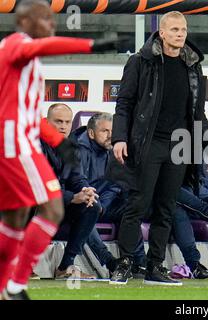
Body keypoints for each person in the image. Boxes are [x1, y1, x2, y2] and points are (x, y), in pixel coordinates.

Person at [0, 0, 120, 300]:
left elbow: (29, 113)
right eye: (46, 20)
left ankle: (5, 286)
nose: (52, 25)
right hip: (16, 146)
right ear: (25, 21)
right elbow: (34, 50)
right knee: (52, 208)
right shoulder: (16, 45)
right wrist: (90, 45)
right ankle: (15, 284)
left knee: (14, 220)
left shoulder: (27, 63)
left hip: (16, 142)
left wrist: (61, 143)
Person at [108, 11, 208, 286]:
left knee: (166, 209)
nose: (180, 34)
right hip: (147, 143)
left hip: (179, 146)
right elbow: (123, 104)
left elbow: (199, 112)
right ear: (162, 33)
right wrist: (119, 138)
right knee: (137, 205)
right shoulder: (140, 62)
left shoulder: (193, 66)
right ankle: (125, 262)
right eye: (174, 29)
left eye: (183, 29)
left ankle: (155, 267)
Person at [71, 112, 147, 278]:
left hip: (103, 203)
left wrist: (103, 205)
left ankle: (140, 263)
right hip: (80, 202)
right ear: (91, 133)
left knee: (131, 208)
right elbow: (76, 183)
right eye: (105, 131)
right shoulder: (76, 150)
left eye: (112, 131)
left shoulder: (113, 149)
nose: (111, 135)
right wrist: (96, 203)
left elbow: (115, 184)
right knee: (87, 210)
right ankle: (110, 262)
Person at [42, 104, 98, 279]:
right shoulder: (33, 144)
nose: (63, 126)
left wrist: (85, 190)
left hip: (59, 203)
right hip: (36, 203)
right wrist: (72, 197)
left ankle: (65, 266)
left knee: (92, 206)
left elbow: (76, 177)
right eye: (58, 121)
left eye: (67, 122)